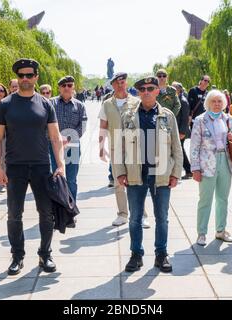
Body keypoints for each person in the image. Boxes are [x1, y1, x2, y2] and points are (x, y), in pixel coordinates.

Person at [0, 58, 65, 276]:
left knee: (46, 214)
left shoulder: (46, 104)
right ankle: (17, 256)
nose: (25, 79)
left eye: (29, 75)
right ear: (17, 77)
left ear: (36, 77)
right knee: (14, 214)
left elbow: (55, 137)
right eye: (21, 75)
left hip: (42, 166)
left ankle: (45, 254)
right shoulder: (5, 104)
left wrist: (60, 164)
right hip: (15, 167)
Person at [115, 76, 183, 273]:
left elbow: (177, 149)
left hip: (161, 174)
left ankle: (161, 254)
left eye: (150, 88)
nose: (146, 91)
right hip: (136, 173)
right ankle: (136, 255)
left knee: (162, 217)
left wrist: (176, 174)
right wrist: (119, 172)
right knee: (135, 217)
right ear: (137, 92)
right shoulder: (127, 115)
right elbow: (118, 146)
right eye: (142, 88)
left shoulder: (167, 115)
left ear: (157, 91)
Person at [98, 72, 149, 228]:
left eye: (123, 82)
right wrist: (101, 148)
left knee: (137, 181)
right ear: (112, 85)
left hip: (134, 148)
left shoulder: (136, 102)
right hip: (116, 149)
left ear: (126, 83)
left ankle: (142, 215)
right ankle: (122, 214)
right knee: (118, 183)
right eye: (117, 82)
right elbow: (103, 127)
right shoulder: (107, 104)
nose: (120, 85)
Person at [190, 90, 232, 246]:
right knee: (205, 200)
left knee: (222, 198)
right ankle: (201, 233)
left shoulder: (229, 119)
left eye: (219, 101)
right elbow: (194, 146)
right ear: (208, 103)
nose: (217, 104)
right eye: (214, 101)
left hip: (225, 160)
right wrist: (195, 168)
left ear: (224, 103)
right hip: (206, 163)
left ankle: (220, 230)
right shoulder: (200, 120)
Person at [50, 76, 88, 202]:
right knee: (57, 178)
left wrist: (69, 138)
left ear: (73, 88)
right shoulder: (51, 103)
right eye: (64, 86)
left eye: (70, 85)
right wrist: (58, 138)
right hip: (54, 146)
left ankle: (71, 209)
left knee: (71, 180)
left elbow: (82, 126)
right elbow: (45, 123)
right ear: (59, 88)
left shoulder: (80, 106)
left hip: (73, 146)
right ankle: (58, 210)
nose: (67, 88)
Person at [172, 81, 192, 179]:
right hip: (177, 130)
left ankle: (188, 170)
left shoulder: (183, 101)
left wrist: (182, 132)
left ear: (179, 89)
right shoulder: (176, 100)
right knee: (179, 150)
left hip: (181, 131)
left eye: (174, 88)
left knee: (180, 151)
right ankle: (187, 170)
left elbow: (185, 118)